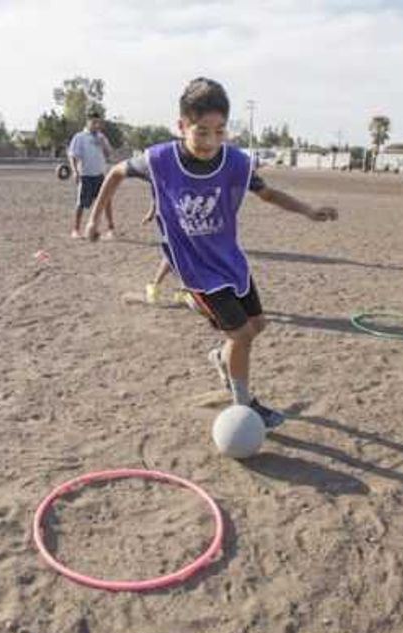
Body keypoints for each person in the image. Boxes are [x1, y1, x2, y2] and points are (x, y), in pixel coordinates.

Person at [85, 78, 338, 426]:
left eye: (220, 132)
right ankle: (245, 406)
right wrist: (94, 219)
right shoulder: (159, 160)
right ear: (181, 126)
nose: (211, 141)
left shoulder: (234, 162)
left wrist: (308, 210)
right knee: (242, 336)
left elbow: (267, 194)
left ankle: (222, 359)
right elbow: (115, 173)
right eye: (201, 132)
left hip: (230, 262)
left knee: (257, 325)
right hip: (195, 269)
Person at [67, 109, 114, 239]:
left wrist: (104, 145)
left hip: (100, 175)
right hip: (86, 175)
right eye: (94, 123)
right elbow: (72, 156)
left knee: (106, 201)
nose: (96, 125)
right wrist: (75, 171)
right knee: (81, 203)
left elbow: (109, 154)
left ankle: (111, 229)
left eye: (98, 123)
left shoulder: (101, 137)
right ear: (88, 122)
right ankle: (75, 230)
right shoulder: (80, 137)